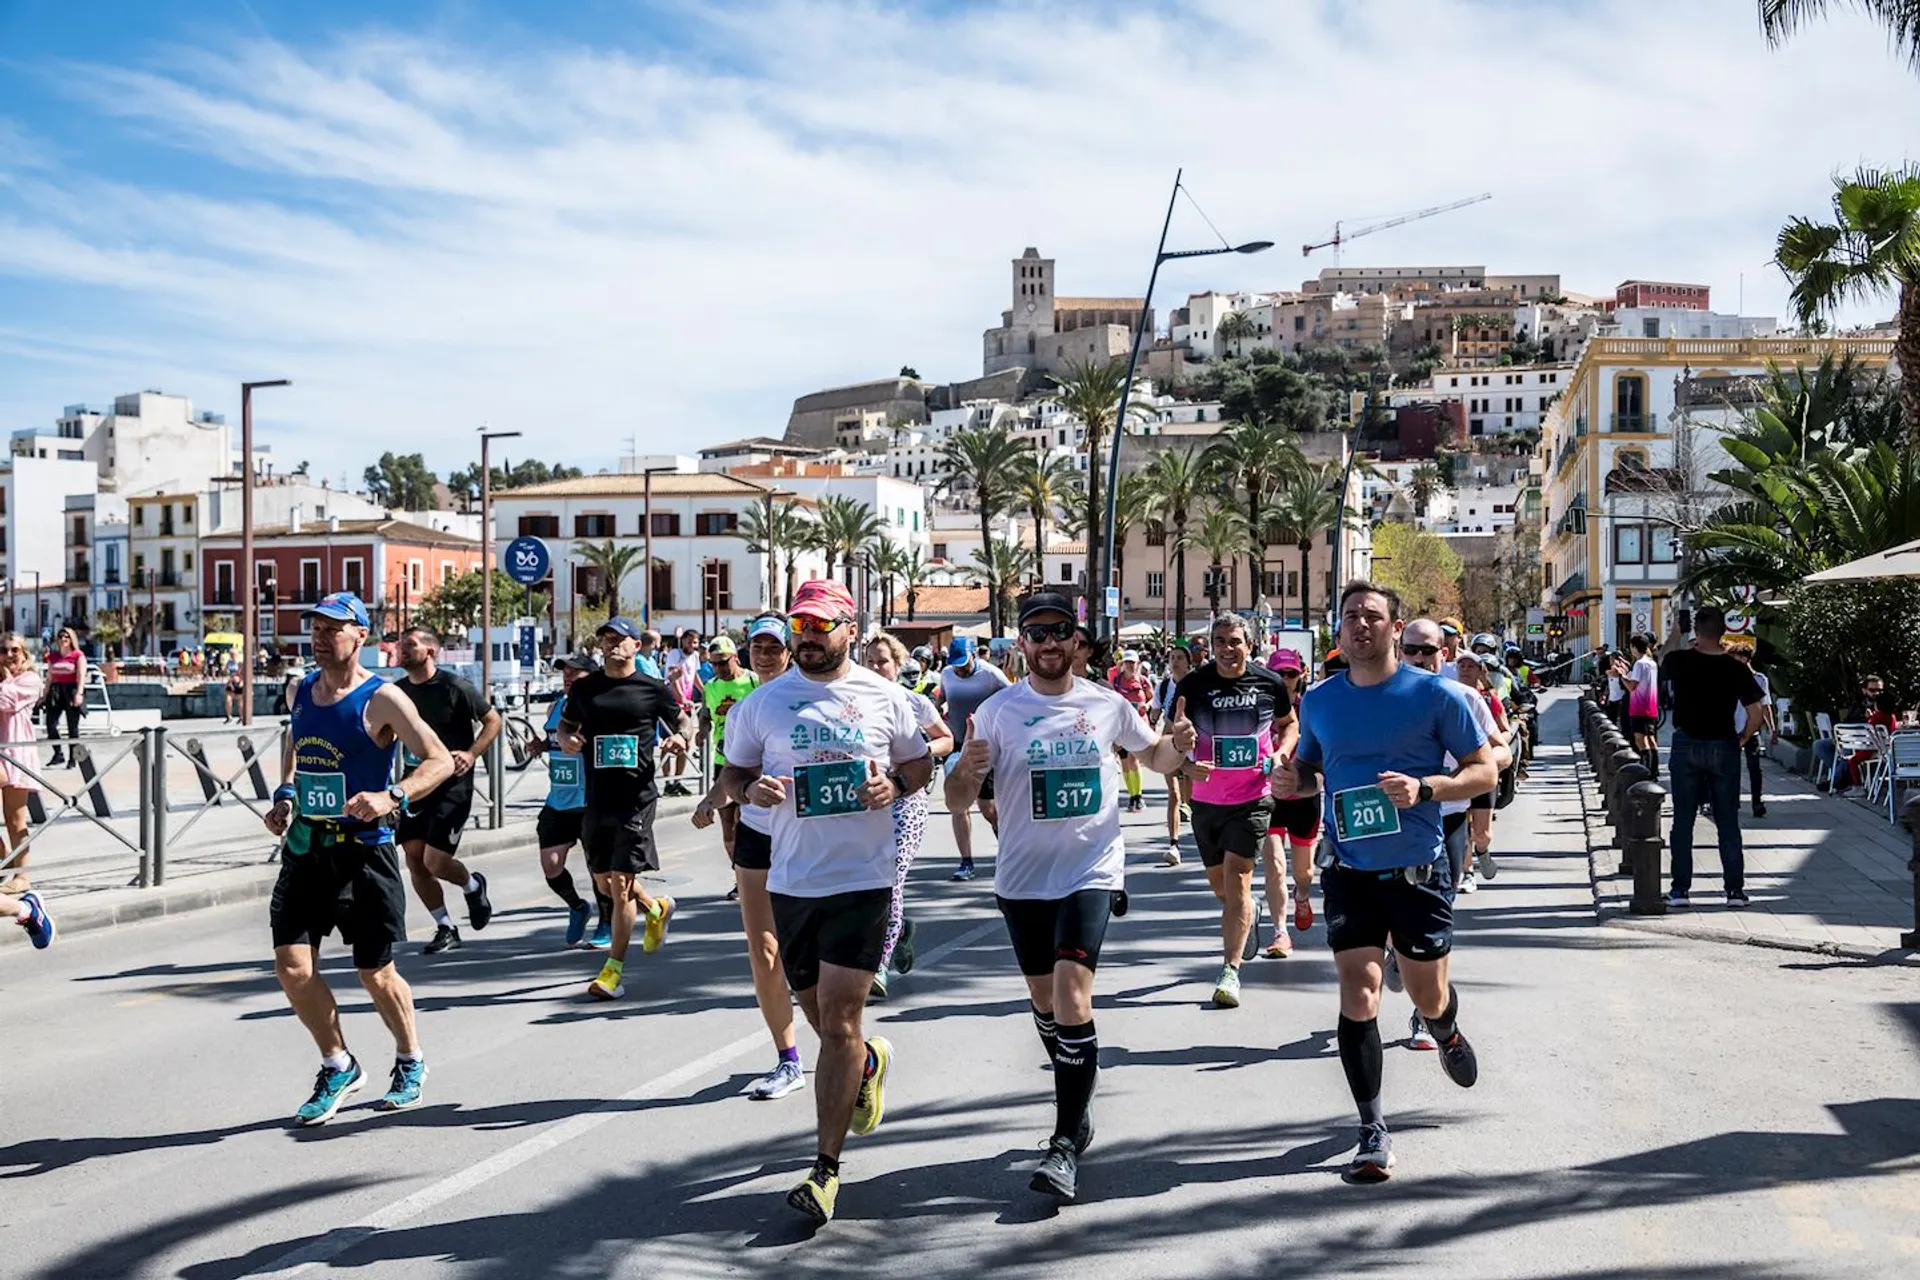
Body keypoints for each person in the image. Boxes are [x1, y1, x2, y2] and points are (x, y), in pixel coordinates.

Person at [948, 591, 1193, 1202]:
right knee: (1046, 1005)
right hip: (1023, 879)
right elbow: (956, 801)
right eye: (1037, 633)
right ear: (1021, 645)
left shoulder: (1107, 705)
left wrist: (1178, 745)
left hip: (1092, 871)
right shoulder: (999, 712)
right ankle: (1076, 1093)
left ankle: (1062, 1145)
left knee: (1070, 994)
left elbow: (1155, 755)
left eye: (1061, 631)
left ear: (1077, 642)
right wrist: (967, 769)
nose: (1050, 642)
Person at [713, 579, 934, 1225]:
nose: (808, 637)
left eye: (820, 626)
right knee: (820, 1019)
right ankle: (867, 1062)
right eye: (799, 626)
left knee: (837, 1021)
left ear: (849, 627)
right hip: (792, 882)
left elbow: (920, 764)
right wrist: (747, 790)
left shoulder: (886, 697)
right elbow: (732, 773)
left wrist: (892, 784)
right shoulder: (762, 703)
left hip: (863, 879)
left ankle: (824, 1169)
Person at [1272, 582, 1496, 1183]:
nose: (1361, 626)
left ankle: (1445, 1027)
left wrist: (1427, 788)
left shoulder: (1436, 695)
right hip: (1349, 871)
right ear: (1338, 630)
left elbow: (1482, 770)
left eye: (1373, 616)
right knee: (1359, 992)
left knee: (1426, 996)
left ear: (1396, 628)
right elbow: (1313, 767)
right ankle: (1372, 1129)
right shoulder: (1320, 701)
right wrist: (1292, 781)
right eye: (1351, 617)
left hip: (1417, 870)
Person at [264, 592, 455, 1124]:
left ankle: (409, 1058)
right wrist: (284, 796)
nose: (321, 638)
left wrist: (391, 797)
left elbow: (439, 760)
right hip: (306, 848)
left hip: (365, 855)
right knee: (292, 967)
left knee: (376, 973)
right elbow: (296, 749)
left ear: (361, 636)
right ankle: (337, 1062)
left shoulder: (383, 699)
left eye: (333, 629)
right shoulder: (300, 689)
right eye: (316, 629)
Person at [695, 614, 808, 1098]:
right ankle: (788, 1060)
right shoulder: (743, 708)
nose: (763, 654)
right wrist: (713, 799)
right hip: (759, 837)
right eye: (756, 646)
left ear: (790, 650)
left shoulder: (811, 697)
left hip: (809, 837)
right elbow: (734, 773)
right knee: (763, 949)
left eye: (773, 646)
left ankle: (850, 1049)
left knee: (808, 955)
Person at [557, 616, 687, 999]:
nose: (613, 644)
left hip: (637, 799)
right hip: (598, 798)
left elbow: (683, 720)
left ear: (636, 645)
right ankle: (657, 907)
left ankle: (613, 971)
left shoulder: (652, 688)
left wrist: (680, 738)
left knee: (619, 885)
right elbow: (566, 726)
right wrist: (566, 740)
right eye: (607, 638)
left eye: (620, 638)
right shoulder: (586, 690)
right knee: (602, 880)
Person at [1173, 613, 1294, 1008]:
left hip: (1253, 797)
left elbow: (1289, 724)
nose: (1228, 649)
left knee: (1239, 877)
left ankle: (1230, 970)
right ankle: (1249, 911)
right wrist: (1187, 762)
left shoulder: (1269, 683)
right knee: (1223, 889)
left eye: (1235, 641)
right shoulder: (1193, 685)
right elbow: (1171, 739)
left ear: (1250, 644)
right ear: (1211, 645)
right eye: (1221, 641)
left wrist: (1279, 752)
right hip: (1206, 800)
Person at [1396, 619, 1503, 1048]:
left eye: (1429, 652)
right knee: (1391, 912)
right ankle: (1396, 948)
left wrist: (1470, 776)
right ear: (1400, 650)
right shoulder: (1385, 697)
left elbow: (1500, 748)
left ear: (1445, 655)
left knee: (1436, 916)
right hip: (1397, 820)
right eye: (1412, 651)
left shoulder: (1463, 697)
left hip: (1448, 817)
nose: (1420, 658)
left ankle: (1423, 1012)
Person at [392, 626, 501, 955]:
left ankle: (472, 886)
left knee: (436, 861)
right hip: (416, 784)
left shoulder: (454, 686)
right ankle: (445, 927)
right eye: (401, 645)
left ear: (430, 652)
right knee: (414, 859)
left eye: (410, 645)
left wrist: (471, 754)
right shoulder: (396, 693)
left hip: (452, 784)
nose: (402, 650)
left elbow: (493, 720)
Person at [861, 631, 954, 999]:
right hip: (868, 802)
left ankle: (879, 964)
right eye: (868, 661)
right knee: (867, 879)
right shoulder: (856, 701)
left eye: (882, 661)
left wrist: (918, 751)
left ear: (898, 666)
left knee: (890, 879)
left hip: (907, 799)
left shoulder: (913, 702)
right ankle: (898, 932)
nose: (875, 667)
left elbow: (947, 738)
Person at [1658, 606, 1765, 911]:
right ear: (1723, 631)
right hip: (1723, 745)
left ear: (1696, 630)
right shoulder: (1736, 668)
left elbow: (1661, 660)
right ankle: (1734, 891)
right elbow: (1756, 711)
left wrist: (1676, 633)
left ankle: (1680, 890)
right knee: (1727, 820)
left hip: (1686, 743)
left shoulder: (1681, 660)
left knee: (1683, 820)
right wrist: (1742, 737)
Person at [528, 652, 610, 949]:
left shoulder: (599, 708)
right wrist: (539, 745)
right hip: (559, 800)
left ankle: (606, 920)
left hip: (590, 800)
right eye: (565, 673)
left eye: (575, 673)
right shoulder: (556, 707)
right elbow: (552, 740)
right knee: (551, 865)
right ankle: (577, 907)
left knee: (597, 868)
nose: (568, 677)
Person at [939, 635, 1010, 881]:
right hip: (957, 746)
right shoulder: (947, 674)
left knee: (988, 809)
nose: (960, 669)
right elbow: (941, 701)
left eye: (964, 663)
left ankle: (1010, 848)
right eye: (956, 664)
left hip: (983, 747)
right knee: (958, 806)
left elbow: (1012, 703)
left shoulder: (991, 675)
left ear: (974, 655)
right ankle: (966, 862)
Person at [1262, 647, 1319, 950]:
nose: (1285, 679)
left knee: (1303, 873)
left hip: (1304, 798)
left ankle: (1303, 896)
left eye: (1291, 674)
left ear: (1301, 676)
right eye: (1279, 673)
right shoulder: (1257, 710)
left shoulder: (1311, 708)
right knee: (1274, 867)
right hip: (1267, 798)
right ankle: (1279, 932)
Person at [1450, 650, 1511, 892]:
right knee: (1460, 825)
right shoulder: (1450, 697)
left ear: (1480, 671)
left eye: (1470, 666)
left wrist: (1488, 759)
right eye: (1461, 666)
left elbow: (1504, 732)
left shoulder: (1488, 699)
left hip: (1484, 774)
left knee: (1481, 832)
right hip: (1457, 775)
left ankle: (1483, 851)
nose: (1465, 670)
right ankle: (1467, 872)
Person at [700, 635, 759, 869]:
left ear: (735, 658)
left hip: (750, 762)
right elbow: (705, 714)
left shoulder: (754, 681)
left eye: (723, 662)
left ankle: (753, 870)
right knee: (727, 823)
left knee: (746, 820)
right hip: (722, 760)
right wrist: (701, 730)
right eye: (713, 663)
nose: (718, 668)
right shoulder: (711, 686)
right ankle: (738, 874)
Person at [0, 634, 44, 895]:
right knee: (11, 819)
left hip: (16, 754)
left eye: (14, 649)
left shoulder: (30, 680)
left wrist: (5, 678)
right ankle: (7, 858)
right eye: (3, 650)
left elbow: (5, 704)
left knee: (16, 820)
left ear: (24, 653)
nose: (9, 654)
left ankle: (22, 876)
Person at [1726, 637, 1773, 818]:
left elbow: (1765, 705)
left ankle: (1757, 802)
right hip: (1732, 729)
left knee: (1754, 767)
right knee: (1732, 768)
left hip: (1751, 730)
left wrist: (1772, 728)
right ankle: (1732, 801)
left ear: (1745, 659)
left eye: (1736, 658)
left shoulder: (1760, 679)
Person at [1158, 646, 1195, 865]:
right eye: (1172, 658)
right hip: (1171, 744)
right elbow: (1162, 718)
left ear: (1189, 663)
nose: (1176, 662)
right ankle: (1174, 844)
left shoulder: (1197, 685)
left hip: (1194, 747)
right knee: (1174, 794)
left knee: (1191, 797)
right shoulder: (1164, 686)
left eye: (1180, 658)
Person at [1109, 650, 1155, 813]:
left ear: (1137, 664)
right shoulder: (1116, 681)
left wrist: (1147, 706)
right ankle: (1132, 795)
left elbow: (1152, 698)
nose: (1129, 665)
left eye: (1132, 662)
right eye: (1127, 662)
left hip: (1139, 726)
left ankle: (1138, 796)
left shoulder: (1143, 681)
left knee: (1134, 760)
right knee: (1125, 761)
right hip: (1121, 727)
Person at [1619, 634, 1661, 781]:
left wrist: (1622, 676)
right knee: (1650, 738)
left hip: (1639, 705)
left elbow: (1632, 686)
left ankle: (1646, 769)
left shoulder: (1639, 663)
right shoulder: (1651, 663)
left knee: (1640, 740)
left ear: (1635, 648)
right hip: (1651, 704)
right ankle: (1654, 770)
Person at [43, 627, 84, 768]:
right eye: (61, 636)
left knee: (72, 728)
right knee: (51, 724)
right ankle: (58, 753)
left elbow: (81, 676)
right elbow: (49, 677)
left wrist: (79, 693)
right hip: (56, 691)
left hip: (71, 690)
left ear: (71, 638)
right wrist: (44, 695)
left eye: (66, 636)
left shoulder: (77, 655)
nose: (63, 639)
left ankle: (73, 759)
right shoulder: (53, 656)